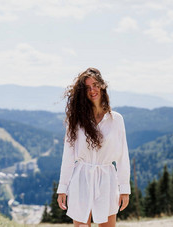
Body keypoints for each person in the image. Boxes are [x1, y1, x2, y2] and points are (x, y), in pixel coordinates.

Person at [57, 67, 131, 227]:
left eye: (95, 85)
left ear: (102, 86)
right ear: (83, 92)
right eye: (88, 87)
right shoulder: (76, 120)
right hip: (81, 177)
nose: (92, 90)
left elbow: (123, 155)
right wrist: (63, 187)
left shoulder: (116, 119)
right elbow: (68, 155)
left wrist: (124, 188)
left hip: (107, 179)